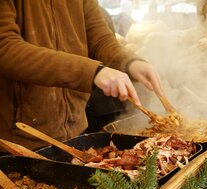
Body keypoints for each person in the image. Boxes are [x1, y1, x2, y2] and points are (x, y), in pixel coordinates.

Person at [0, 0, 163, 151]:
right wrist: (90, 72)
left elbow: (100, 38)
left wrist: (130, 62)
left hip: (75, 133)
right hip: (17, 142)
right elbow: (5, 46)